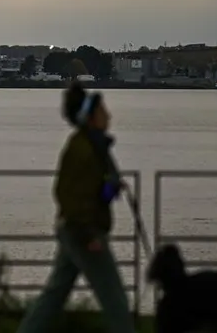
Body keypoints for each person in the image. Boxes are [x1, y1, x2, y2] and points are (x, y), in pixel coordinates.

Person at [15, 82, 135, 333]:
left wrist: (110, 188)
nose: (109, 116)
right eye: (103, 111)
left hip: (73, 230)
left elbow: (85, 190)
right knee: (114, 299)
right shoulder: (84, 149)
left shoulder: (91, 145)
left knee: (54, 295)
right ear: (90, 118)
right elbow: (69, 195)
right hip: (83, 232)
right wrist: (88, 235)